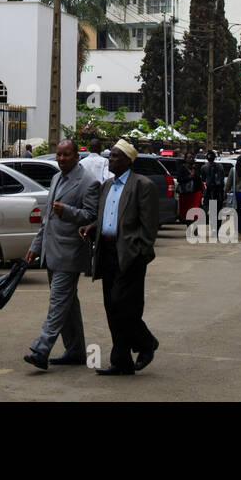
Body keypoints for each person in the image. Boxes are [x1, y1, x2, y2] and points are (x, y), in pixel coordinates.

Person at [79, 140, 159, 375]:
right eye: (110, 156)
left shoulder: (142, 185)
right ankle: (121, 361)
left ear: (127, 160)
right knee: (111, 307)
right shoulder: (107, 186)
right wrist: (92, 227)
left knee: (123, 306)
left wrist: (141, 253)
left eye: (114, 156)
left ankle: (146, 343)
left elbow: (149, 226)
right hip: (107, 253)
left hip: (130, 255)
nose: (110, 160)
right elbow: (108, 217)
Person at [23, 139, 100, 370]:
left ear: (77, 156)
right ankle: (76, 350)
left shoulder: (88, 182)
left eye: (66, 155)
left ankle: (41, 349)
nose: (61, 159)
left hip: (70, 253)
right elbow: (47, 220)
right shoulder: (56, 178)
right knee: (67, 303)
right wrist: (36, 247)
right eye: (58, 155)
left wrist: (68, 211)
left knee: (57, 303)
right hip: (51, 251)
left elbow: (91, 216)